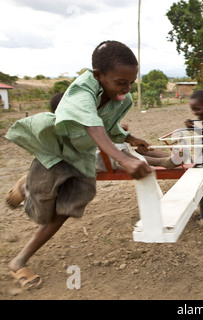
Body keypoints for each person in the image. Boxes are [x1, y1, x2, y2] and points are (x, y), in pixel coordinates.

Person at [4, 40, 154, 289]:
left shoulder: (121, 99)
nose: (127, 88)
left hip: (82, 156)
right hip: (55, 152)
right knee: (42, 212)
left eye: (132, 82)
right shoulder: (81, 91)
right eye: (121, 82)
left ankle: (19, 260)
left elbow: (107, 124)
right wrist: (123, 159)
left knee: (65, 210)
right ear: (98, 75)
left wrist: (129, 138)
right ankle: (28, 187)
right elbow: (91, 123)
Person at [50, 92, 177, 172]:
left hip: (98, 154)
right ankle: (163, 162)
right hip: (88, 161)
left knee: (126, 143)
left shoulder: (79, 121)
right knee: (117, 150)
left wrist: (118, 130)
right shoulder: (61, 128)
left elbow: (98, 131)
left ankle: (169, 157)